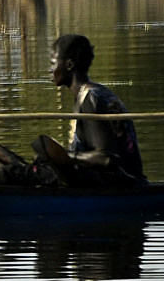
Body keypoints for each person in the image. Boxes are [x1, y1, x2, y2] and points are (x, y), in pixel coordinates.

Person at [32, 33, 145, 184]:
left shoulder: (91, 98)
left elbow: (106, 159)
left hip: (122, 184)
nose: (50, 69)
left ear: (69, 65)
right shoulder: (92, 94)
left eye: (53, 63)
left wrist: (65, 156)